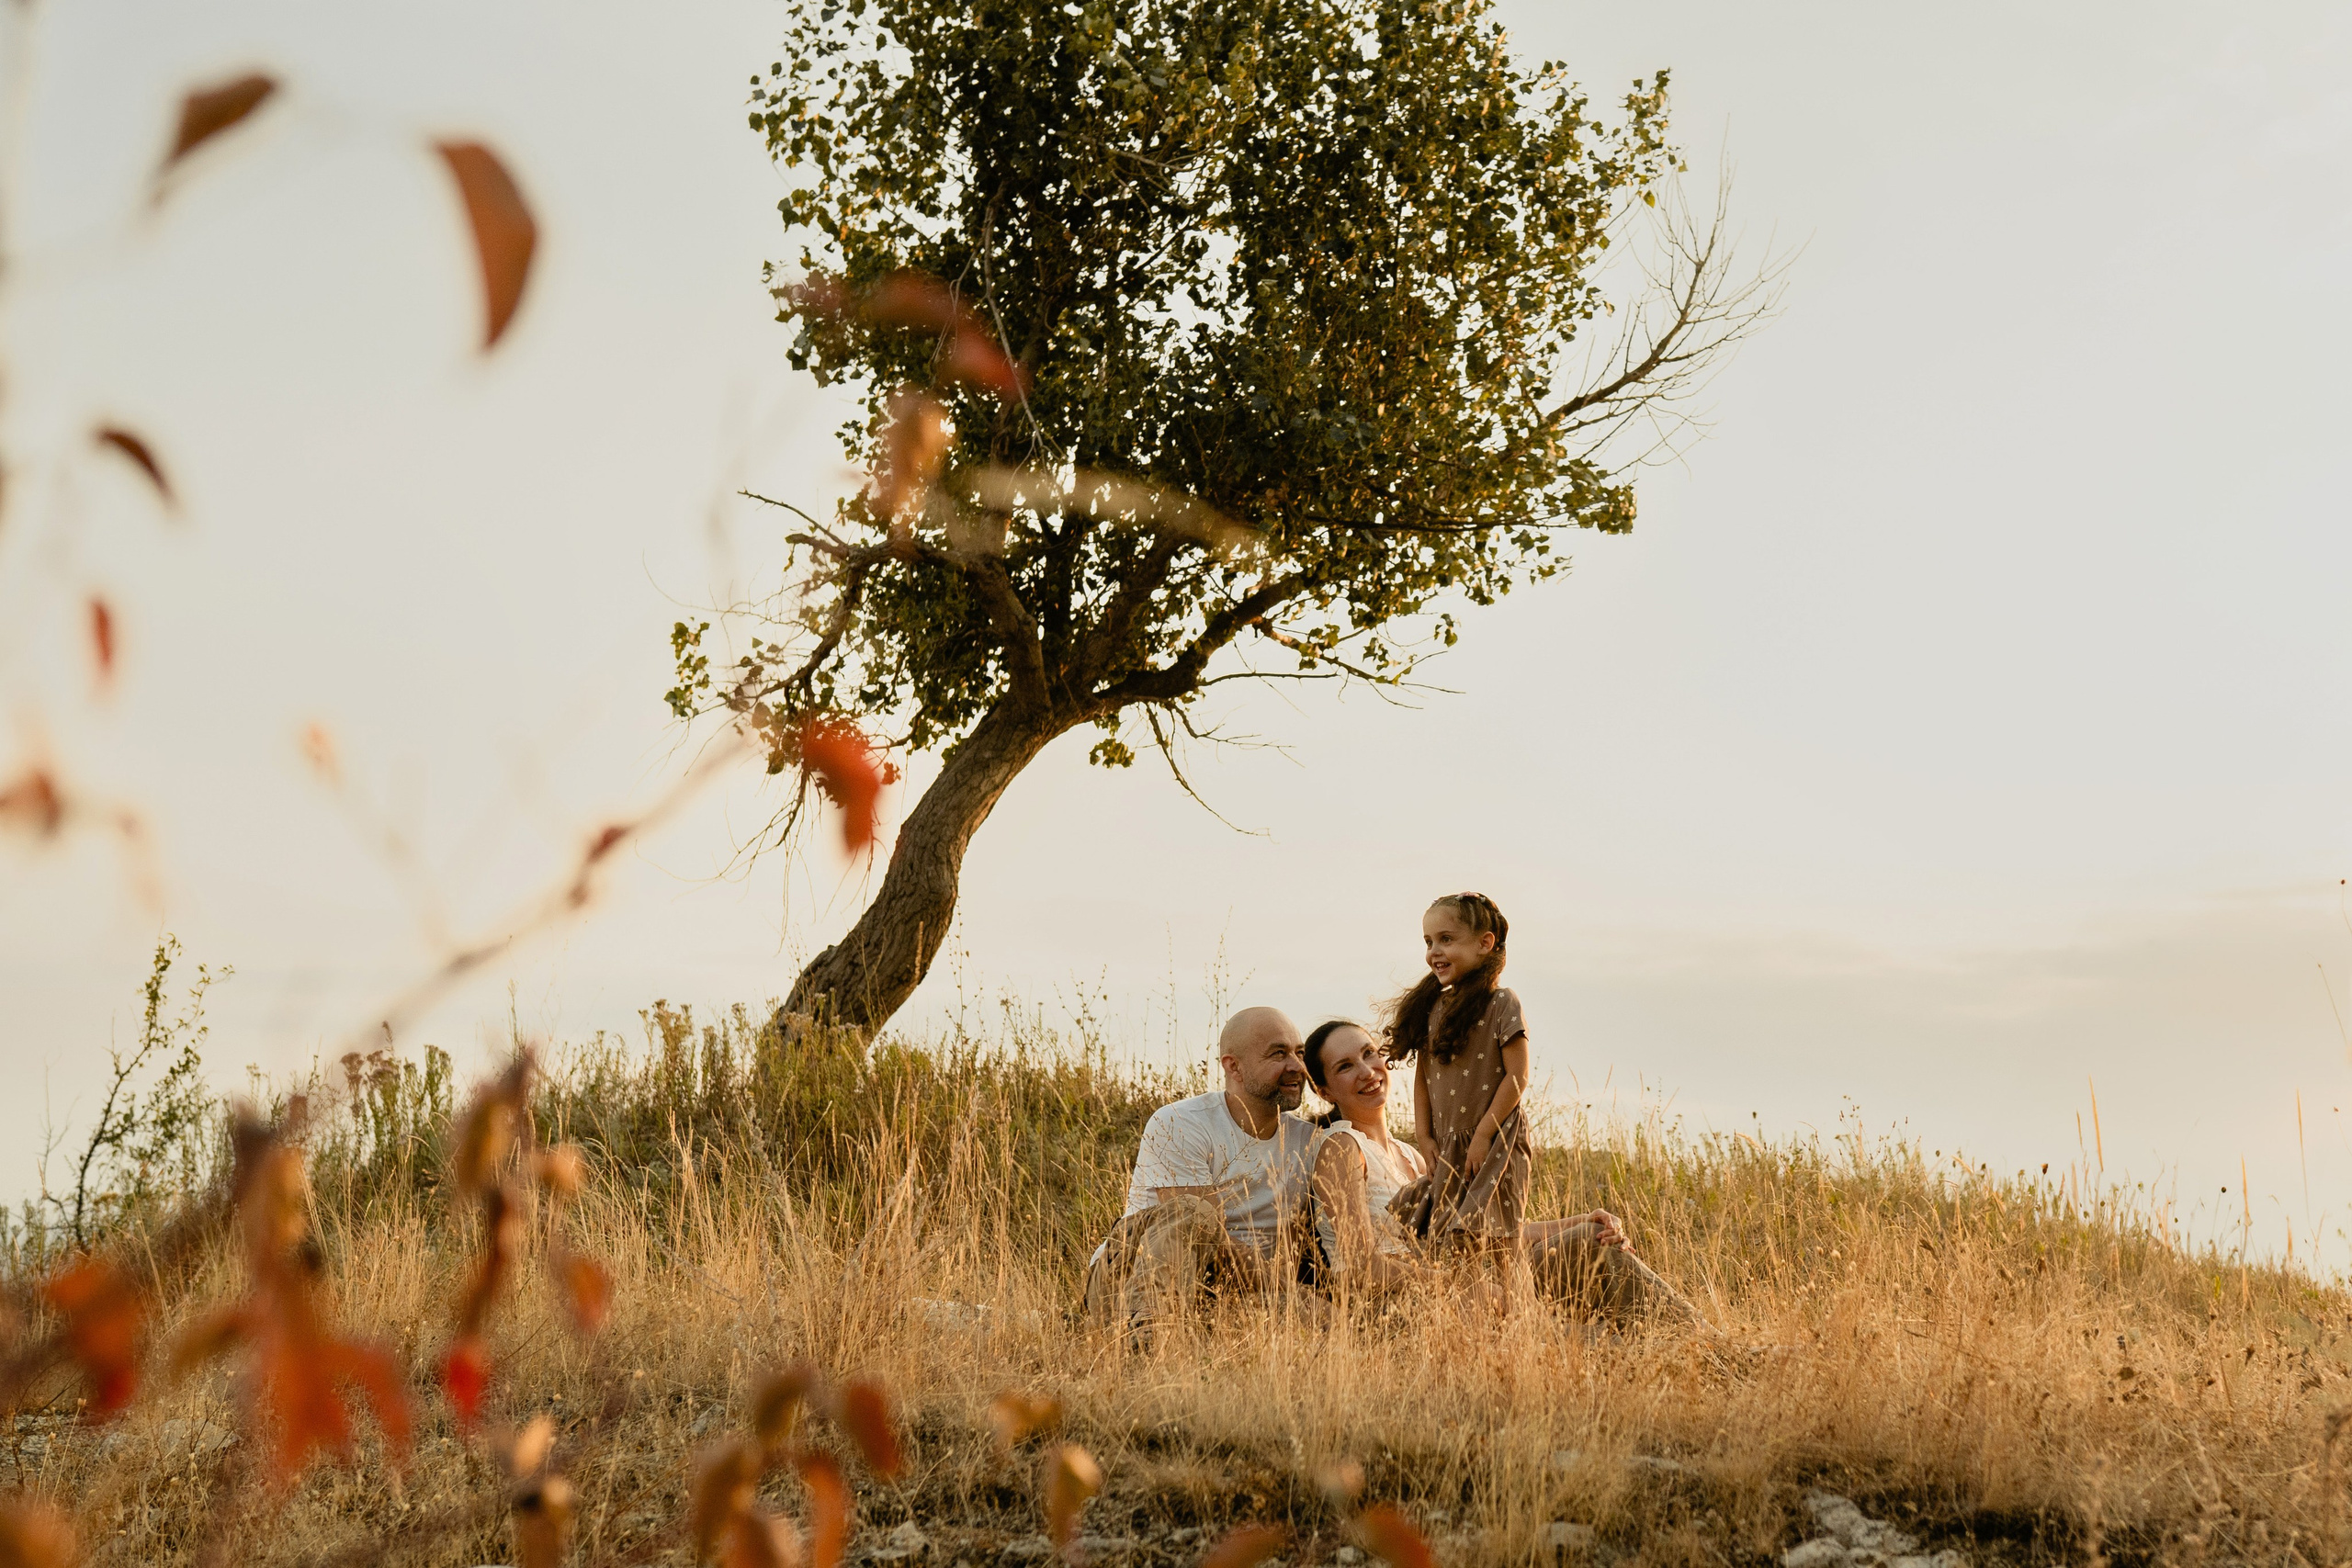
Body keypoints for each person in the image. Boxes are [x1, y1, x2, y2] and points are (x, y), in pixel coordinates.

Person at [1380, 892, 1711, 1325]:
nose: (1434, 952)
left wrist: (1483, 1134)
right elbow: (1423, 1083)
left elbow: (1517, 1078)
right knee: (1456, 1239)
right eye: (1427, 942)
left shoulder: (1502, 1003)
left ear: (1484, 942)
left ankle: (1524, 1317)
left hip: (1496, 1138)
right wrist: (1425, 1139)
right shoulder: (1433, 1009)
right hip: (1447, 1144)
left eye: (1446, 939)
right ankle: (1468, 1320)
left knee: (1500, 1236)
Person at [1082, 1006, 1323, 1335]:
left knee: (1327, 1317)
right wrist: (1276, 1282)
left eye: (1299, 1053)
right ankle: (1150, 1333)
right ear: (1233, 1066)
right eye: (1278, 1054)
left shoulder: (1308, 1142)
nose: (1296, 1066)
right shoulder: (1181, 1123)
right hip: (1128, 1284)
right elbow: (1204, 1241)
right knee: (1193, 1213)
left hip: (1240, 1295)